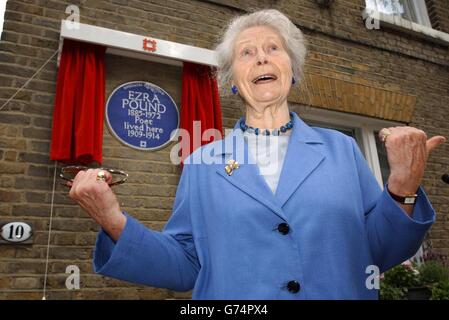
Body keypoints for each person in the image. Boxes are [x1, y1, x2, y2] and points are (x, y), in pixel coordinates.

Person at [69, 9, 446, 299]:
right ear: (232, 80)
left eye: (272, 49)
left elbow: (379, 251)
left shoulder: (341, 149)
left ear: (292, 71)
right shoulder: (202, 163)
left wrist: (402, 184)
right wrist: (114, 220)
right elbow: (187, 265)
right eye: (246, 53)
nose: (262, 58)